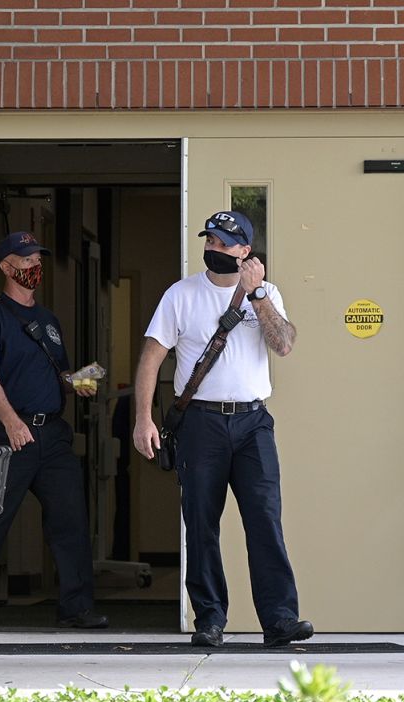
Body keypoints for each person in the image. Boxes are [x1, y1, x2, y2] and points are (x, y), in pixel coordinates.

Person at [131, 210, 313, 648]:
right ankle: (210, 619)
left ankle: (280, 620)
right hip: (201, 423)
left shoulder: (266, 295)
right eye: (209, 241)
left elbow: (284, 344)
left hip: (253, 422)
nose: (213, 249)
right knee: (201, 522)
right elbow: (152, 358)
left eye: (223, 243)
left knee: (265, 519)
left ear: (245, 253)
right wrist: (142, 418)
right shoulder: (181, 295)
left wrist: (258, 297)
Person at [0, 230, 108, 630]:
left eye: (38, 260)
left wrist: (78, 382)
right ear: (6, 267)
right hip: (9, 432)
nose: (35, 267)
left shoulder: (48, 320)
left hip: (52, 434)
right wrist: (11, 422)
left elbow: (58, 373)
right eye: (26, 260)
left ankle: (77, 607)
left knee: (70, 519)